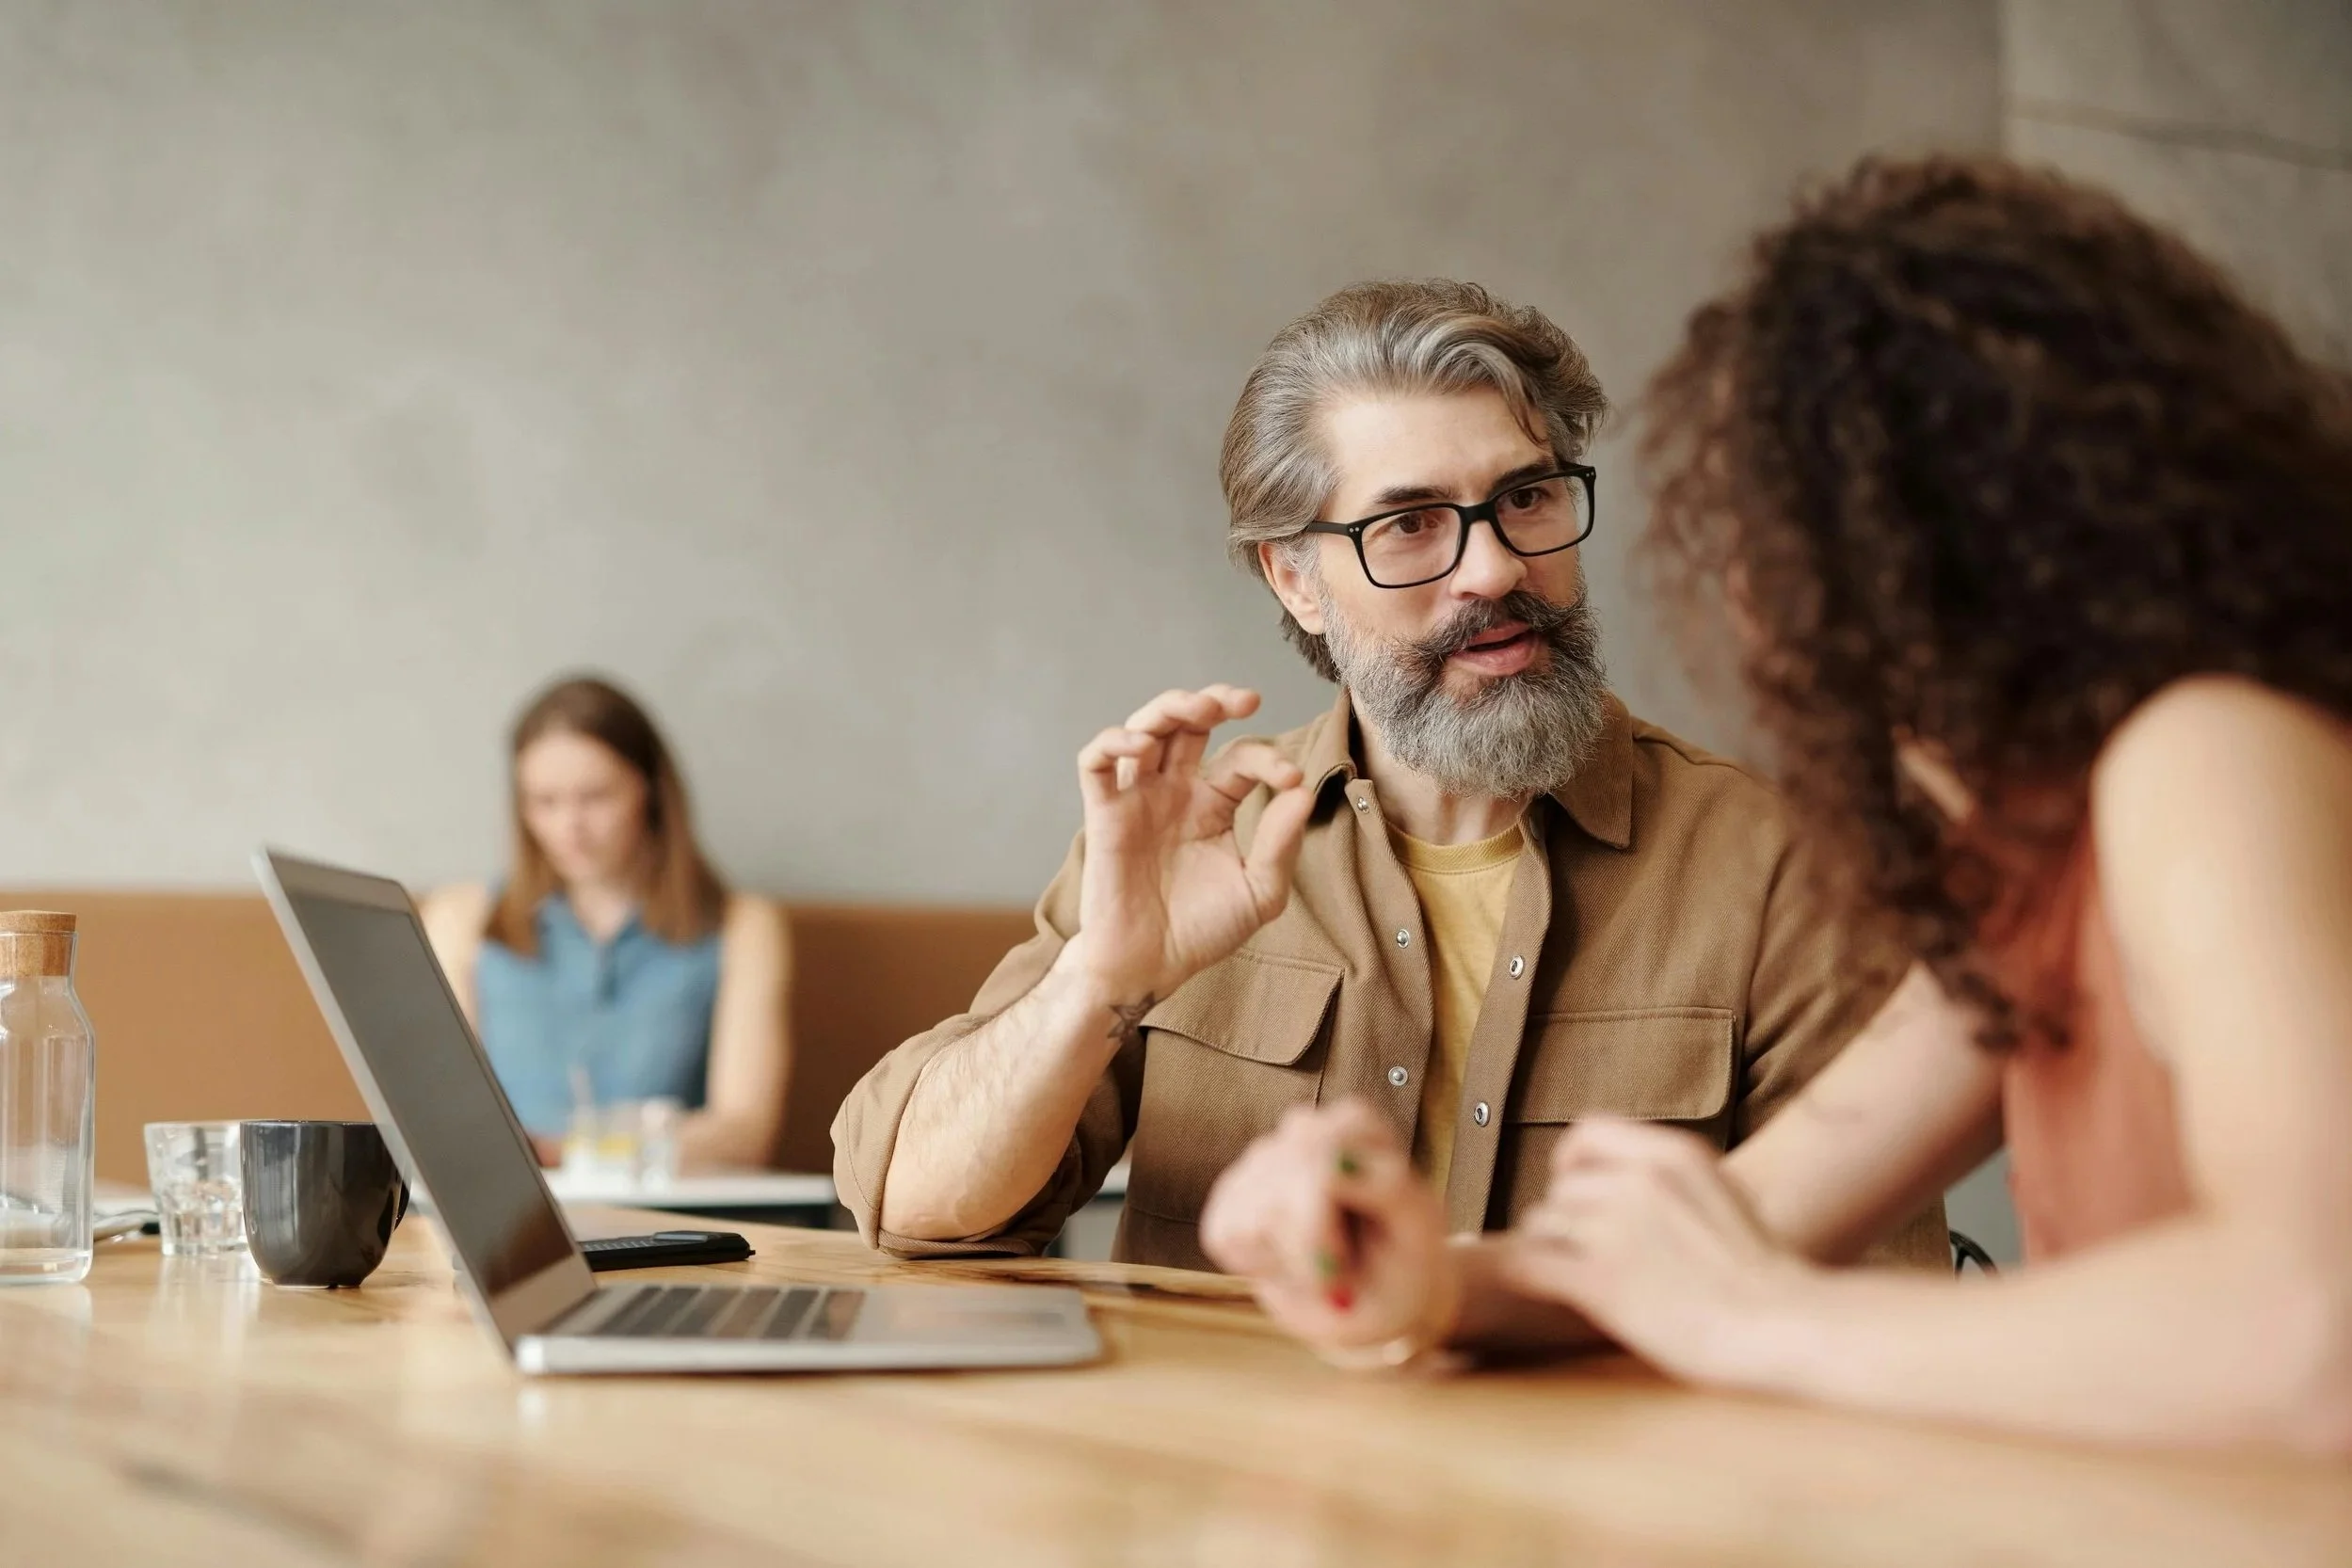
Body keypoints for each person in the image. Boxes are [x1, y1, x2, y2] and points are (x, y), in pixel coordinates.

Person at [1202, 157, 2352, 1452]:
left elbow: (2318, 1330)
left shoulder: (2204, 749)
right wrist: (1433, 1281)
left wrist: (1754, 1320)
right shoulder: (2022, 848)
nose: (1748, 583)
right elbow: (1742, 1222)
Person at [832, 280, 1946, 1272]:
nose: (1496, 567)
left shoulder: (1780, 862)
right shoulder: (1187, 851)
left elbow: (1870, 1313)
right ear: (1297, 579)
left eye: (1528, 496)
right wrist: (1100, 980)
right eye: (1410, 524)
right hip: (1228, 1489)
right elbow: (919, 1209)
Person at [422, 675, 792, 1172]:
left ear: (651, 791)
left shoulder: (744, 927)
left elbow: (745, 1134)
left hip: (673, 1223)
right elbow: (441, 1118)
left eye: (595, 797)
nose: (569, 826)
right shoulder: (460, 919)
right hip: (511, 1221)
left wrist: (562, 1152)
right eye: (544, 802)